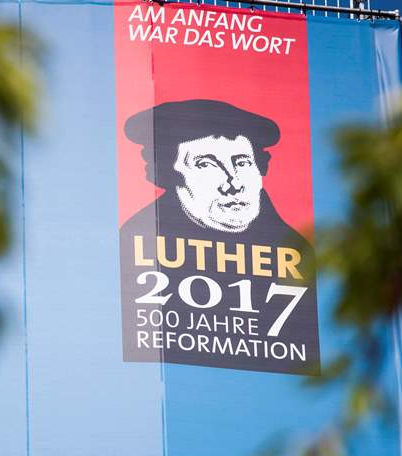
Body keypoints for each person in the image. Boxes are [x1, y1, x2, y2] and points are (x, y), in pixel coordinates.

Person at [119, 99, 320, 374]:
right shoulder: (134, 239)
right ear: (170, 175)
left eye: (242, 162)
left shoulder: (294, 250)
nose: (233, 183)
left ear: (260, 170)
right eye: (206, 165)